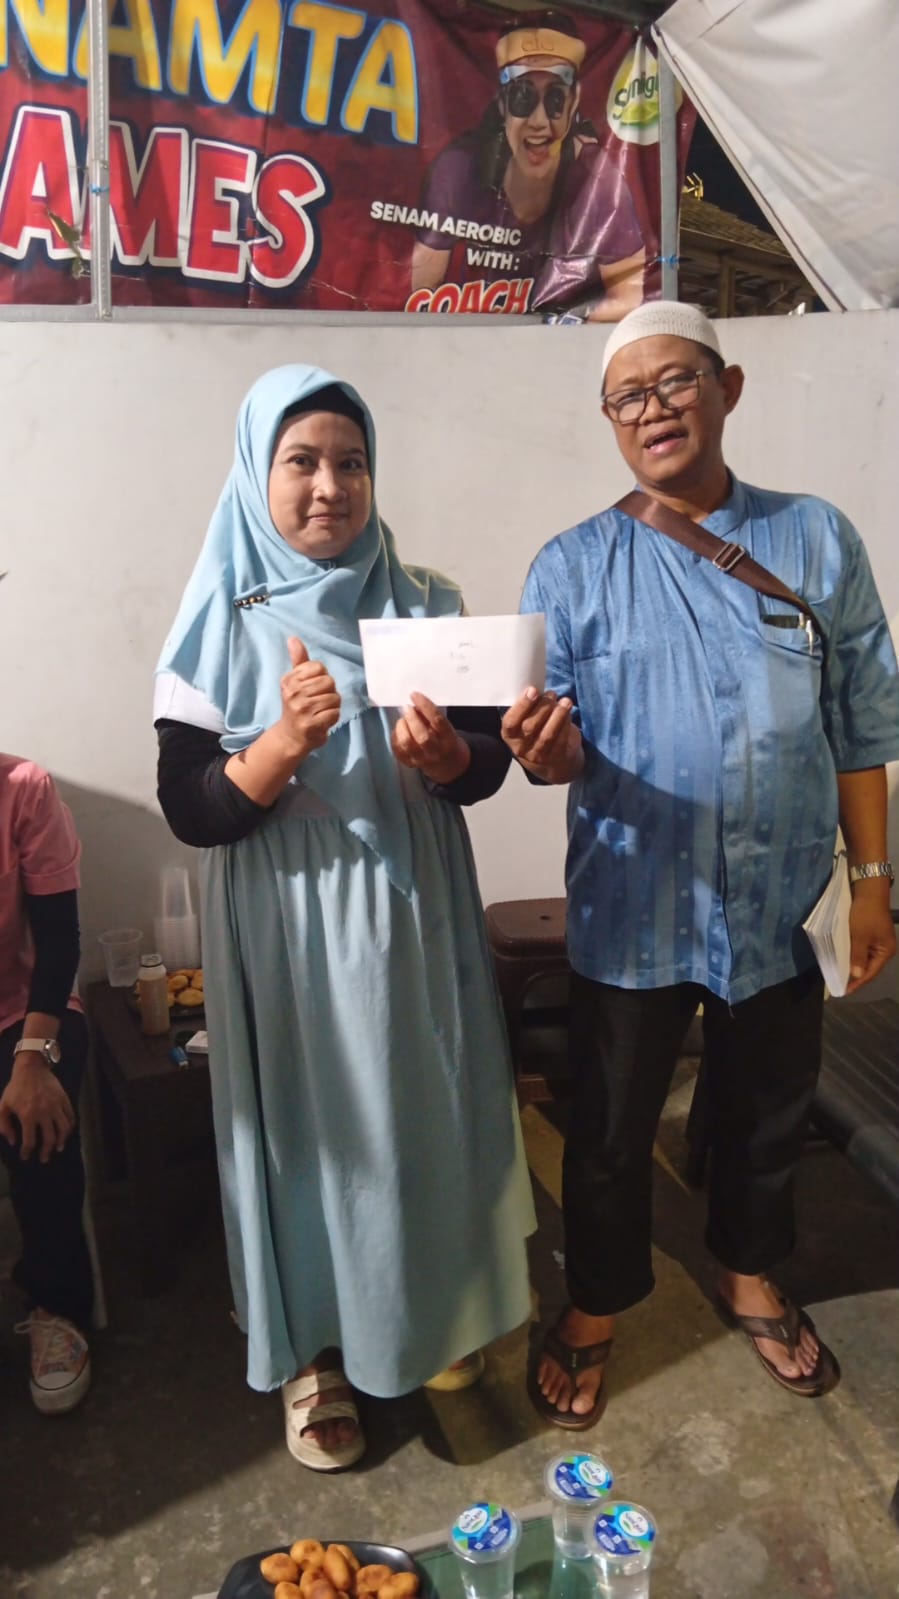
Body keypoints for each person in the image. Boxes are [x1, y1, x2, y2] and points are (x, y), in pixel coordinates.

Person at [501, 300, 899, 1427]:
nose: (653, 409)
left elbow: (860, 725)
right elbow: (551, 745)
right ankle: (595, 1300)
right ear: (607, 420)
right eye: (627, 396)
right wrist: (544, 752)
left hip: (780, 900)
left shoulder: (814, 538)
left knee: (766, 1109)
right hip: (634, 905)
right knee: (609, 1130)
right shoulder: (571, 565)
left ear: (726, 389)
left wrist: (874, 887)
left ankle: (747, 1267)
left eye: (674, 382)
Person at [154, 364, 535, 1471]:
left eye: (351, 462)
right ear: (255, 473)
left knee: (426, 1109)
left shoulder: (425, 602)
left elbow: (482, 772)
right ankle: (316, 1352)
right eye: (302, 461)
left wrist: (448, 753)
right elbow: (192, 808)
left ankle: (435, 1307)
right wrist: (279, 745)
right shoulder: (215, 618)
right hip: (290, 926)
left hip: (415, 910)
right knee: (314, 1135)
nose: (330, 486)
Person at [411, 11, 645, 318]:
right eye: (523, 98)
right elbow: (421, 292)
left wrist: (559, 325)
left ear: (573, 103)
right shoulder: (460, 169)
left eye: (555, 100)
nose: (539, 122)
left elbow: (633, 297)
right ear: (502, 105)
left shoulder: (597, 180)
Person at [0, 751, 93, 1413]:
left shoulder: (23, 790)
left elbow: (59, 943)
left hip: (26, 1012)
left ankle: (56, 1307)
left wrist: (31, 1060)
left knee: (35, 1121)